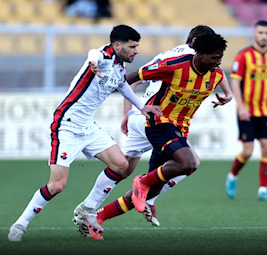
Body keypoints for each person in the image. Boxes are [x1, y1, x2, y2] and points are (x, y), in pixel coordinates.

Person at [7, 24, 163, 242]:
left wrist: (141, 107)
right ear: (117, 45)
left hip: (88, 126)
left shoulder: (118, 67)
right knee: (57, 185)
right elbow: (95, 53)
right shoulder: (102, 56)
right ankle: (20, 224)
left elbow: (123, 86)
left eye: (137, 46)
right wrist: (92, 61)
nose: (136, 51)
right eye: (132, 46)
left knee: (121, 165)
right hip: (67, 125)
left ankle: (87, 208)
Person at [91, 32, 232, 239]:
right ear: (200, 53)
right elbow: (131, 78)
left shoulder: (216, 74)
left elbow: (221, 77)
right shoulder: (174, 65)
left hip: (179, 128)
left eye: (220, 57)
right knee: (188, 162)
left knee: (153, 191)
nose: (218, 62)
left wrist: (227, 95)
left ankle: (99, 217)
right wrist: (104, 90)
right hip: (158, 121)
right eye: (214, 57)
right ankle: (143, 181)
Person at [225, 20, 267, 201]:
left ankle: (263, 190)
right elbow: (234, 81)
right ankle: (232, 176)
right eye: (261, 33)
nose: (264, 36)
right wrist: (240, 106)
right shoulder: (243, 56)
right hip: (247, 111)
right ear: (254, 33)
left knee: (266, 148)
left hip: (265, 111)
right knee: (248, 151)